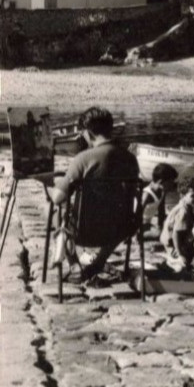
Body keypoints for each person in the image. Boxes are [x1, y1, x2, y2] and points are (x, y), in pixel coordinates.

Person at [48, 106, 139, 281]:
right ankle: (99, 261)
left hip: (84, 231)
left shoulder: (84, 158)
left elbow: (57, 198)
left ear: (88, 133)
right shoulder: (130, 159)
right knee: (117, 214)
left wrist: (55, 183)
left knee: (52, 212)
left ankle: (75, 266)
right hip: (120, 229)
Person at [160, 175, 194, 270]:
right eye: (193, 196)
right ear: (182, 195)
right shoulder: (183, 211)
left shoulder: (185, 206)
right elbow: (175, 233)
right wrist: (180, 255)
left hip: (173, 245)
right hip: (174, 250)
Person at [141, 162, 178, 234]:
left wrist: (161, 226)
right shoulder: (147, 194)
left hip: (147, 223)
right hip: (138, 225)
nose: (172, 185)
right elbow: (135, 215)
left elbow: (161, 211)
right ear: (160, 181)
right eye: (170, 182)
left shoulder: (162, 192)